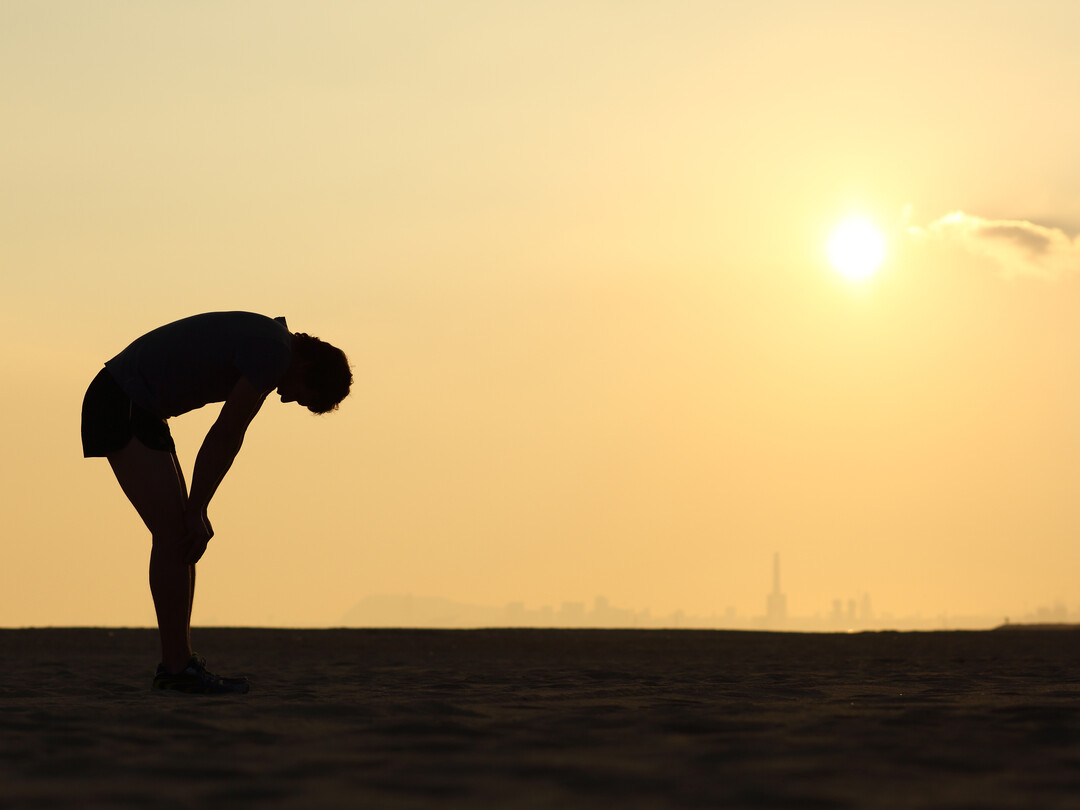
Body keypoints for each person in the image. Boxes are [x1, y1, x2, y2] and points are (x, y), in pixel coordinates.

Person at [81, 311, 352, 694]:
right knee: (175, 535)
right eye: (303, 397)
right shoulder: (273, 352)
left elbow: (230, 437)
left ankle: (180, 663)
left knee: (180, 539)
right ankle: (175, 669)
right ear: (308, 365)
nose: (288, 399)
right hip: (119, 399)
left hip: (136, 406)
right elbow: (224, 434)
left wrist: (198, 508)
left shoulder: (272, 346)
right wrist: (197, 508)